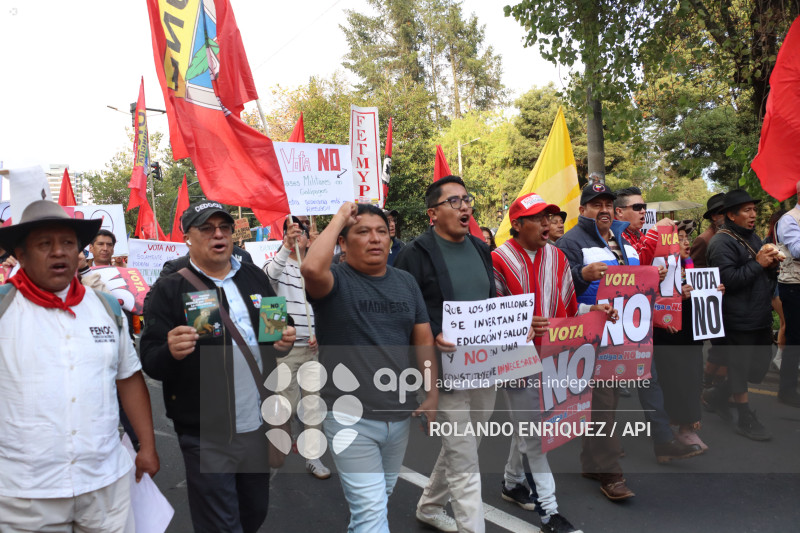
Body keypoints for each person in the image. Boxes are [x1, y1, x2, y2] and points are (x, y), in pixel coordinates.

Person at [0, 200, 159, 531]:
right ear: (22, 254)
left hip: (106, 485)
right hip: (24, 496)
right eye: (45, 244)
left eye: (68, 243)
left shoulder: (106, 307)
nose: (59, 252)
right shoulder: (4, 309)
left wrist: (147, 445)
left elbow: (128, 378)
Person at [141, 201, 296, 533]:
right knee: (220, 524)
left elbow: (279, 328)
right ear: (188, 238)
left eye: (224, 227)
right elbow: (151, 360)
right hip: (206, 431)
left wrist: (284, 338)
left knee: (254, 512)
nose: (219, 234)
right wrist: (170, 351)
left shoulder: (254, 276)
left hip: (257, 423)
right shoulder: (170, 288)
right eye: (207, 228)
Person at [301, 202, 438, 533]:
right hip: (349, 417)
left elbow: (422, 338)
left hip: (398, 417)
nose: (375, 238)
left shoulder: (405, 282)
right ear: (343, 244)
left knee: (378, 500)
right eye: (362, 231)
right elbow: (310, 270)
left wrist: (431, 392)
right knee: (371, 509)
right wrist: (338, 219)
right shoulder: (334, 281)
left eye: (381, 231)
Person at [556, 182, 698, 501]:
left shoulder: (626, 242)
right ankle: (610, 472)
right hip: (590, 336)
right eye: (596, 204)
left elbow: (635, 285)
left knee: (606, 403)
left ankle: (592, 462)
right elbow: (558, 287)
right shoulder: (570, 242)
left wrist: (656, 281)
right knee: (604, 403)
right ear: (582, 211)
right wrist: (582, 274)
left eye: (607, 204)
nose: (603, 209)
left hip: (625, 334)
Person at [493, 193, 617, 533]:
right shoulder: (497, 259)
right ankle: (549, 512)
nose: (548, 224)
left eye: (550, 217)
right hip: (515, 358)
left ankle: (511, 482)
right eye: (539, 218)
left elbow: (566, 312)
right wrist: (521, 324)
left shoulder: (558, 258)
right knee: (535, 435)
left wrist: (593, 312)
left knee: (528, 426)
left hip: (552, 357)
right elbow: (490, 319)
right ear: (517, 225)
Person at [394, 175, 495, 533]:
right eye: (454, 201)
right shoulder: (414, 254)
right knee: (465, 458)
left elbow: (490, 305)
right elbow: (400, 312)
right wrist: (430, 334)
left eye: (467, 199)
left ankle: (429, 505)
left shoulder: (482, 249)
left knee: (465, 446)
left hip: (483, 365)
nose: (464, 206)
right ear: (432, 213)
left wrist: (515, 327)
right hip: (441, 372)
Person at [613, 187, 702, 462]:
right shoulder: (613, 239)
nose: (643, 212)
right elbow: (631, 272)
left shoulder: (637, 236)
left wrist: (668, 309)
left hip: (639, 321)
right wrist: (655, 234)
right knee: (606, 388)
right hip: (612, 322)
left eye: (643, 207)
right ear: (620, 212)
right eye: (637, 208)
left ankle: (663, 441)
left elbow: (650, 277)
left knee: (648, 380)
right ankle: (602, 446)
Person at [704, 190, 779, 440]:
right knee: (739, 366)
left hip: (759, 315)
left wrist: (771, 263)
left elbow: (762, 273)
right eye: (747, 210)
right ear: (731, 215)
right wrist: (758, 263)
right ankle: (745, 417)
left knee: (757, 366)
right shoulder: (721, 242)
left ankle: (717, 395)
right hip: (737, 317)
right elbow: (729, 281)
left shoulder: (753, 237)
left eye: (754, 210)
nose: (753, 215)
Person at [264, 215, 330, 478]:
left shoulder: (316, 270)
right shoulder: (276, 264)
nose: (301, 233)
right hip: (286, 351)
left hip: (312, 349)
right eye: (296, 229)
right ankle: (276, 448)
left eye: (304, 229)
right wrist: (285, 248)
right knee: (286, 405)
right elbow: (269, 277)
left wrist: (321, 334)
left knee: (313, 405)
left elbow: (323, 306)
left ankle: (313, 457)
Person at [653, 220, 724, 451]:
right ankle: (674, 429)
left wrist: (714, 291)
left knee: (692, 380)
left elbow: (702, 300)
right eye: (679, 238)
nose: (685, 242)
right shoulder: (658, 267)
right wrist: (675, 298)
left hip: (692, 335)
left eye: (686, 238)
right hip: (668, 336)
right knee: (672, 382)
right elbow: (645, 299)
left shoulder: (691, 265)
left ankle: (686, 428)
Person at [776, 181, 800, 407]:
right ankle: (787, 390)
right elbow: (797, 249)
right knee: (795, 337)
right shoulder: (789, 219)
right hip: (794, 285)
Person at [765, 209, 788, 373]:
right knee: (787, 322)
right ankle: (780, 357)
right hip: (776, 287)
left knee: (786, 322)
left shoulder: (786, 239)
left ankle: (782, 357)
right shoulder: (769, 242)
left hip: (786, 285)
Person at [690, 192, 726, 268]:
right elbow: (696, 271)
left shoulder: (734, 234)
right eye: (723, 212)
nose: (729, 215)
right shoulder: (703, 240)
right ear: (714, 216)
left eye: (730, 211)